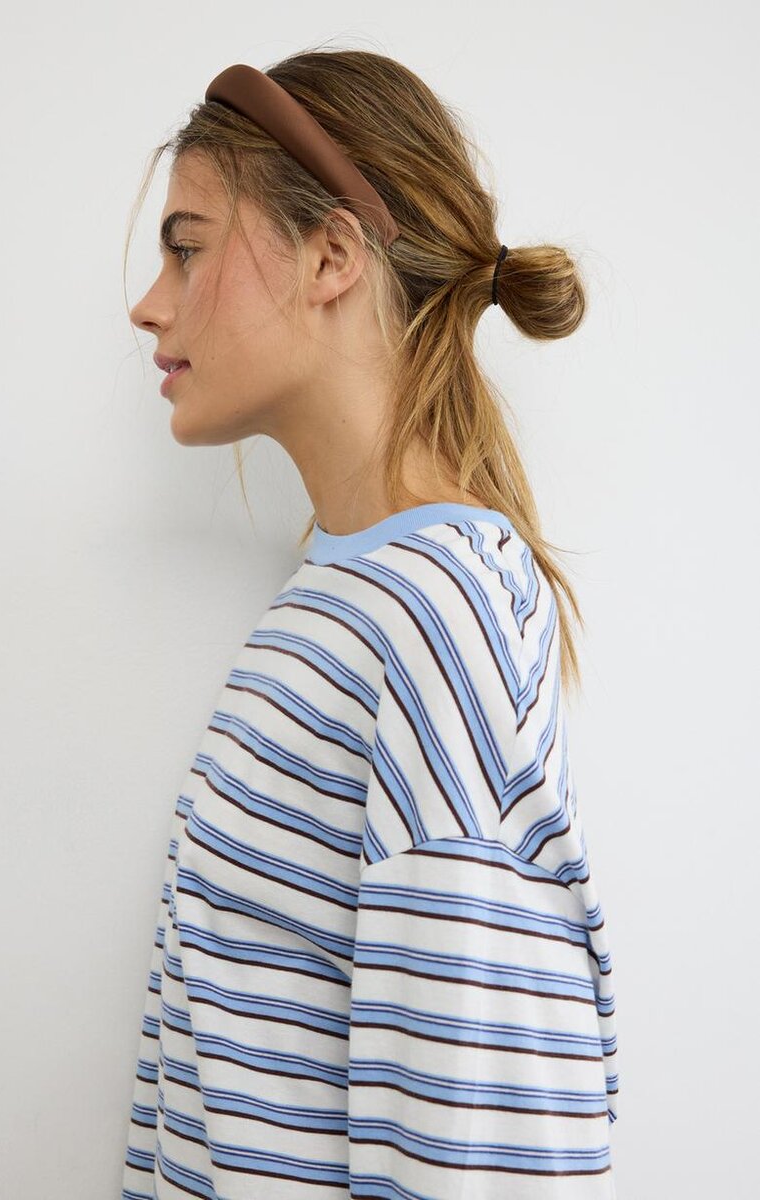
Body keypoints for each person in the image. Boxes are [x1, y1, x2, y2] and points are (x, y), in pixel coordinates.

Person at [121, 48, 619, 1200]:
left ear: (332, 255)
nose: (148, 302)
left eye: (187, 246)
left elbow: (479, 1141)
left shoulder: (437, 611)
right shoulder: (346, 598)